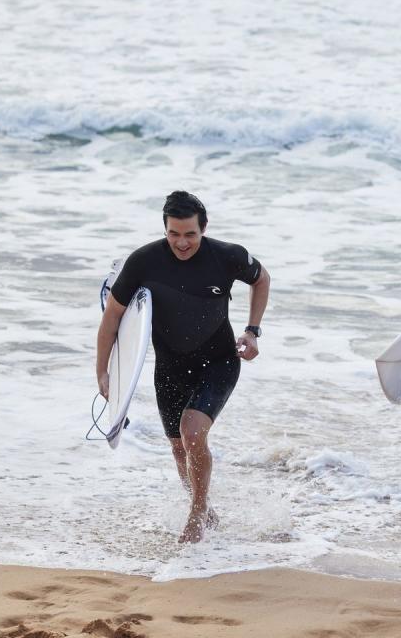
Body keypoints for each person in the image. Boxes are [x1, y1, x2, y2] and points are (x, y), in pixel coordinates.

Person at [95, 191, 271, 543]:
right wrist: (103, 371)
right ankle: (202, 505)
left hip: (218, 361)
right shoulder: (144, 262)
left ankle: (198, 513)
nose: (182, 242)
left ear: (203, 229)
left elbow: (262, 279)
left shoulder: (227, 256)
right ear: (165, 229)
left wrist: (252, 331)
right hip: (170, 368)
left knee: (192, 433)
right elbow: (113, 317)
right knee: (178, 449)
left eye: (190, 234)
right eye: (173, 233)